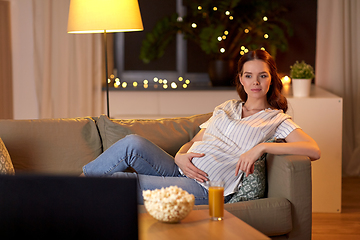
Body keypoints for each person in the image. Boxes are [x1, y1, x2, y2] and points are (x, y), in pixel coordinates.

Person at [81, 50, 321, 205]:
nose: (255, 82)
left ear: (272, 78)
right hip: (179, 169)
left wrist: (261, 148)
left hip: (206, 186)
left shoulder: (275, 119)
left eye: (262, 76)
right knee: (132, 143)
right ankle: (75, 184)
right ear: (240, 79)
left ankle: (69, 193)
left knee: (120, 182)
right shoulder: (227, 107)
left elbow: (313, 149)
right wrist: (180, 156)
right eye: (248, 76)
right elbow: (196, 140)